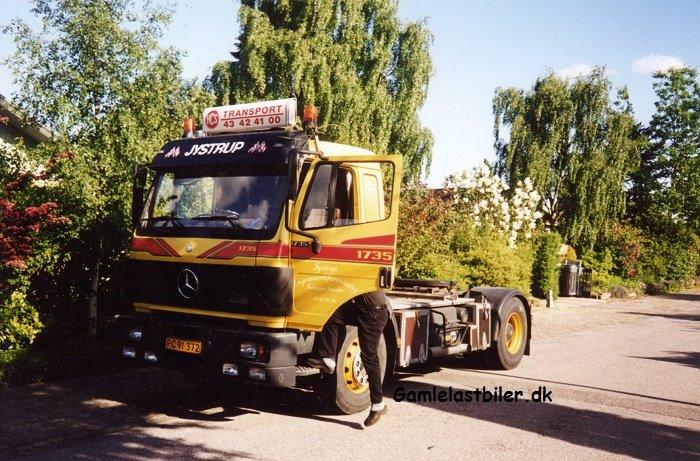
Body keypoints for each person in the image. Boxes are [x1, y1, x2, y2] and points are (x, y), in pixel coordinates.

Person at [309, 290, 390, 427]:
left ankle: (378, 404)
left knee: (369, 358)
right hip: (362, 309)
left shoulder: (364, 269)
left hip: (374, 314)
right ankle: (328, 358)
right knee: (332, 313)